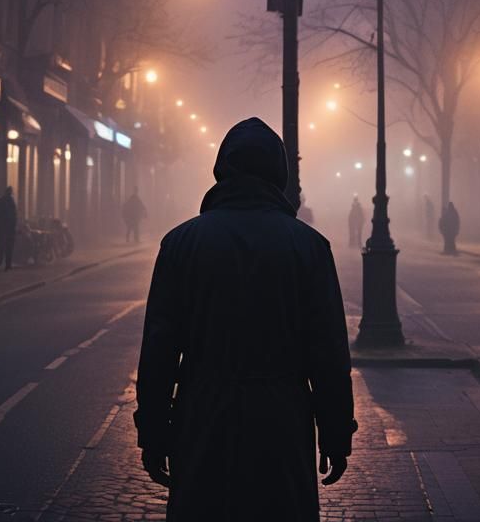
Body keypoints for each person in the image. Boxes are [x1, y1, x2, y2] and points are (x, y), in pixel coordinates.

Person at [135, 117, 355, 521]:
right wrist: (336, 432)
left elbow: (159, 351)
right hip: (281, 419)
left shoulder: (181, 243)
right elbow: (328, 354)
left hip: (203, 415)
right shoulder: (309, 247)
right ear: (279, 175)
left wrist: (153, 431)